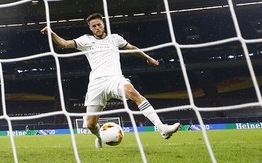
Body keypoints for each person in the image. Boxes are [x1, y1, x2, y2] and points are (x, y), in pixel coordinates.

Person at [42, 13, 180, 148]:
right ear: (90, 28)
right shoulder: (86, 40)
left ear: (104, 25)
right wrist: (52, 33)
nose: (97, 27)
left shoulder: (115, 39)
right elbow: (65, 44)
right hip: (96, 84)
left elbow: (132, 48)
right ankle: (99, 137)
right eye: (94, 26)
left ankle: (162, 128)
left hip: (115, 79)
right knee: (90, 124)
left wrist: (147, 58)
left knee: (133, 92)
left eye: (99, 24)